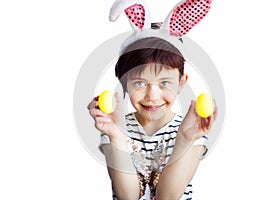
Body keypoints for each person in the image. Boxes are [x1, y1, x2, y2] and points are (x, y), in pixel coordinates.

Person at [87, 36, 217, 199]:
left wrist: (184, 140)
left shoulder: (192, 132)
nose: (152, 96)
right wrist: (117, 137)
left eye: (165, 83)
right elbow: (127, 197)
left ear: (181, 83)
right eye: (139, 83)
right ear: (124, 83)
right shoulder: (115, 128)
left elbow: (167, 197)